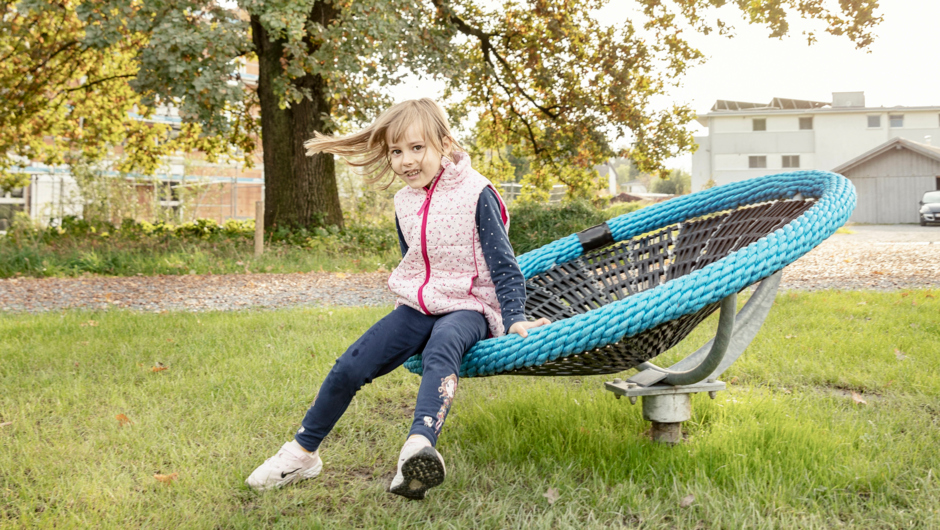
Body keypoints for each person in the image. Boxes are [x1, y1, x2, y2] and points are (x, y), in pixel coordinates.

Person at [245, 98, 550, 499]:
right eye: (396, 151)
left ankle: (417, 449)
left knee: (443, 347)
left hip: (470, 306)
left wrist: (514, 318)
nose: (406, 161)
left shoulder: (478, 193)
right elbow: (414, 258)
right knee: (349, 365)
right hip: (419, 306)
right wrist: (404, 322)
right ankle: (302, 454)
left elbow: (503, 263)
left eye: (417, 148)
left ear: (444, 143)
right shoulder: (404, 201)